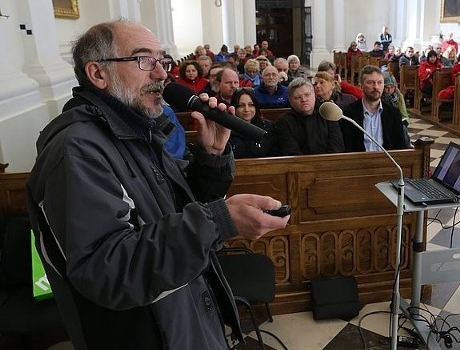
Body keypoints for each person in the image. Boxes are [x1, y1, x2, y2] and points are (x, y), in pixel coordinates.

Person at [26, 20, 289, 350]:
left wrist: (211, 157)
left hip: (185, 316)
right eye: (143, 60)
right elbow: (108, 271)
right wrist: (220, 221)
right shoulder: (77, 150)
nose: (162, 74)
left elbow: (174, 212)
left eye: (162, 61)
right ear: (97, 74)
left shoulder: (137, 131)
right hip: (149, 333)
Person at [341, 66, 410, 152]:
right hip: (359, 162)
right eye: (371, 82)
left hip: (387, 163)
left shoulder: (393, 113)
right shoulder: (348, 113)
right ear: (361, 86)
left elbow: (400, 147)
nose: (376, 87)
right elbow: (347, 148)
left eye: (380, 82)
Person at [275, 78, 344, 155]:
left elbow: (337, 146)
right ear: (290, 101)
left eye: (307, 95)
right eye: (298, 97)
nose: (304, 99)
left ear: (314, 94)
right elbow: (291, 152)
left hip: (331, 163)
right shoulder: (283, 122)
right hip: (299, 165)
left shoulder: (327, 112)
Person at [229, 88, 279, 158]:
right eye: (241, 105)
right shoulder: (227, 129)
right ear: (235, 107)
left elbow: (275, 154)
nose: (246, 109)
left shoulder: (268, 127)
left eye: (251, 105)